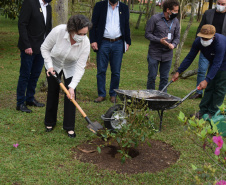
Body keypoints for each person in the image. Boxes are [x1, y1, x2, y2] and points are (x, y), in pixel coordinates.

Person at [41, 14, 92, 138]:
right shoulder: (58, 31)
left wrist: (72, 86)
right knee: (53, 91)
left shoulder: (85, 43)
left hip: (71, 66)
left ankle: (69, 127)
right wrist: (50, 65)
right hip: (53, 63)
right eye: (80, 34)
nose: (82, 37)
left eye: (85, 34)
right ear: (71, 30)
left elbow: (80, 67)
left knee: (71, 96)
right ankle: (50, 122)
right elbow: (44, 48)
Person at [172, 25, 226, 119]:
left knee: (219, 88)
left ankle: (212, 113)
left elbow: (218, 63)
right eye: (203, 37)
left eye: (207, 38)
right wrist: (179, 71)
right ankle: (203, 111)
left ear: (213, 36)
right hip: (214, 62)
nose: (204, 40)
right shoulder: (198, 42)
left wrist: (206, 79)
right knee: (209, 87)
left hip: (224, 63)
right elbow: (190, 57)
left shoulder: (220, 43)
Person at [89, 0, 131, 103]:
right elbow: (93, 24)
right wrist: (93, 40)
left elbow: (126, 25)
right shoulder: (100, 6)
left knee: (116, 71)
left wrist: (128, 42)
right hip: (103, 42)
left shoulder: (124, 8)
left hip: (118, 43)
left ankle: (113, 94)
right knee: (101, 70)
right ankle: (101, 94)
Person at [16, 0, 52, 113]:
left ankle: (30, 99)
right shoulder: (30, 3)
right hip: (29, 48)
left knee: (35, 75)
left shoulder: (48, 7)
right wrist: (27, 45)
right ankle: (20, 102)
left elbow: (48, 28)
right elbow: (22, 24)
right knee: (25, 75)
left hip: (42, 48)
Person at [190, 0, 226, 99]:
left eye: (223, 4)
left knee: (217, 71)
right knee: (202, 69)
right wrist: (198, 43)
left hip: (221, 48)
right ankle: (199, 91)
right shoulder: (208, 13)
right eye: (219, 3)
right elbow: (200, 28)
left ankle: (212, 92)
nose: (220, 6)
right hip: (206, 46)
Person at [145, 0, 180, 92]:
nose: (176, 13)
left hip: (167, 55)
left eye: (177, 11)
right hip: (154, 53)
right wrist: (159, 40)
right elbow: (147, 34)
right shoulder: (155, 18)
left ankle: (162, 98)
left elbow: (177, 37)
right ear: (168, 9)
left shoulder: (176, 21)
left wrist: (173, 44)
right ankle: (150, 97)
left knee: (164, 78)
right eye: (175, 11)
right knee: (152, 77)